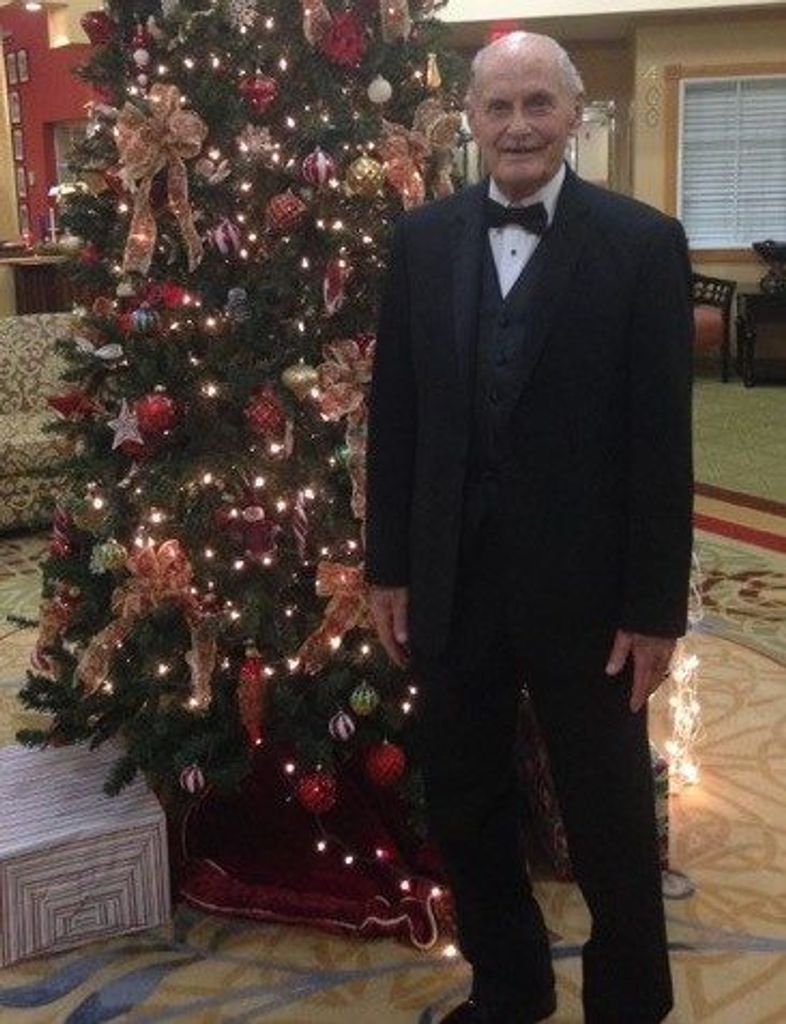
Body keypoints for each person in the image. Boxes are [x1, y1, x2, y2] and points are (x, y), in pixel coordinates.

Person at [365, 30, 693, 1024]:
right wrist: (389, 568)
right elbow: (397, 419)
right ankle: (510, 989)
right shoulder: (421, 242)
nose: (518, 125)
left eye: (538, 103)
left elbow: (662, 444)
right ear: (470, 118)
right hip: (453, 581)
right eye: (499, 106)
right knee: (467, 803)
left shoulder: (642, 244)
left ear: (574, 115)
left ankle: (628, 1003)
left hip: (590, 597)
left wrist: (654, 610)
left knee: (608, 814)